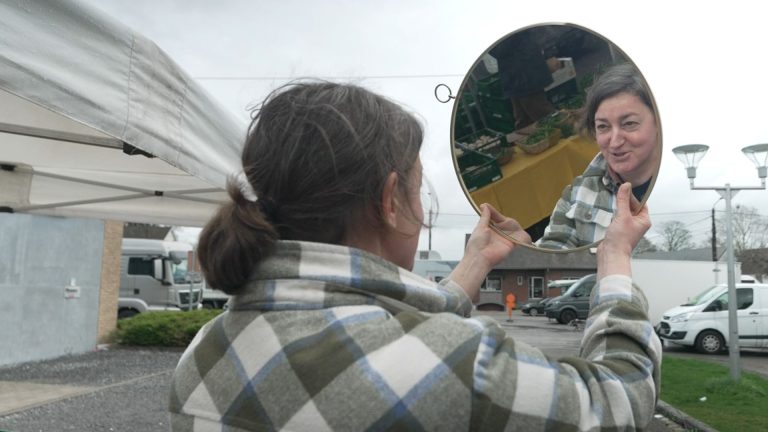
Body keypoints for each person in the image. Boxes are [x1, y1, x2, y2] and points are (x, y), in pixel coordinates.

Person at [168, 81, 660, 431]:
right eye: (419, 191)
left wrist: (475, 265)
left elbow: (373, 319)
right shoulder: (456, 364)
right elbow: (620, 400)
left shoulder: (202, 355)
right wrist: (615, 260)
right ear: (389, 201)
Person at [537, 63, 661, 250]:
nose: (615, 141)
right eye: (603, 126)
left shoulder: (685, 189)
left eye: (629, 123)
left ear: (658, 124)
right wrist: (519, 250)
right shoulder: (577, 195)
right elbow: (553, 256)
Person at [489, 30, 556, 130]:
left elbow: (499, 49)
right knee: (522, 119)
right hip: (516, 74)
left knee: (541, 112)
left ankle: (568, 135)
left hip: (524, 73)